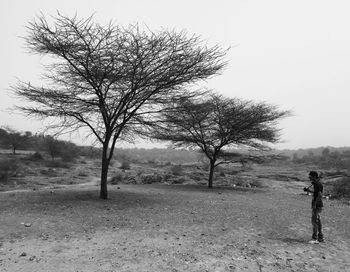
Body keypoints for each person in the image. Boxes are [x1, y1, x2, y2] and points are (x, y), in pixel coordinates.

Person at [304, 171, 324, 244]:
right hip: (319, 204)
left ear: (314, 177)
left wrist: (314, 204)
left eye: (310, 177)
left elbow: (319, 195)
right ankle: (320, 237)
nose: (309, 178)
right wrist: (309, 190)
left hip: (317, 205)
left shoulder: (317, 184)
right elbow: (316, 193)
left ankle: (315, 238)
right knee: (318, 221)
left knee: (314, 221)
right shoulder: (317, 184)